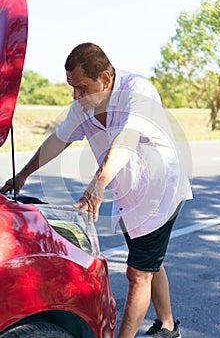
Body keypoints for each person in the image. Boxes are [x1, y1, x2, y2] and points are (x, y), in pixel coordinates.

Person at [1, 42, 192, 338]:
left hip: (160, 193)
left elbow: (127, 139)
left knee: (138, 273)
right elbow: (58, 140)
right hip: (129, 193)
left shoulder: (137, 92)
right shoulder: (84, 105)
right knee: (149, 260)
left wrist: (98, 183)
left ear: (105, 78)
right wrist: (23, 174)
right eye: (72, 88)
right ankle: (168, 326)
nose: (76, 96)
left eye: (82, 87)